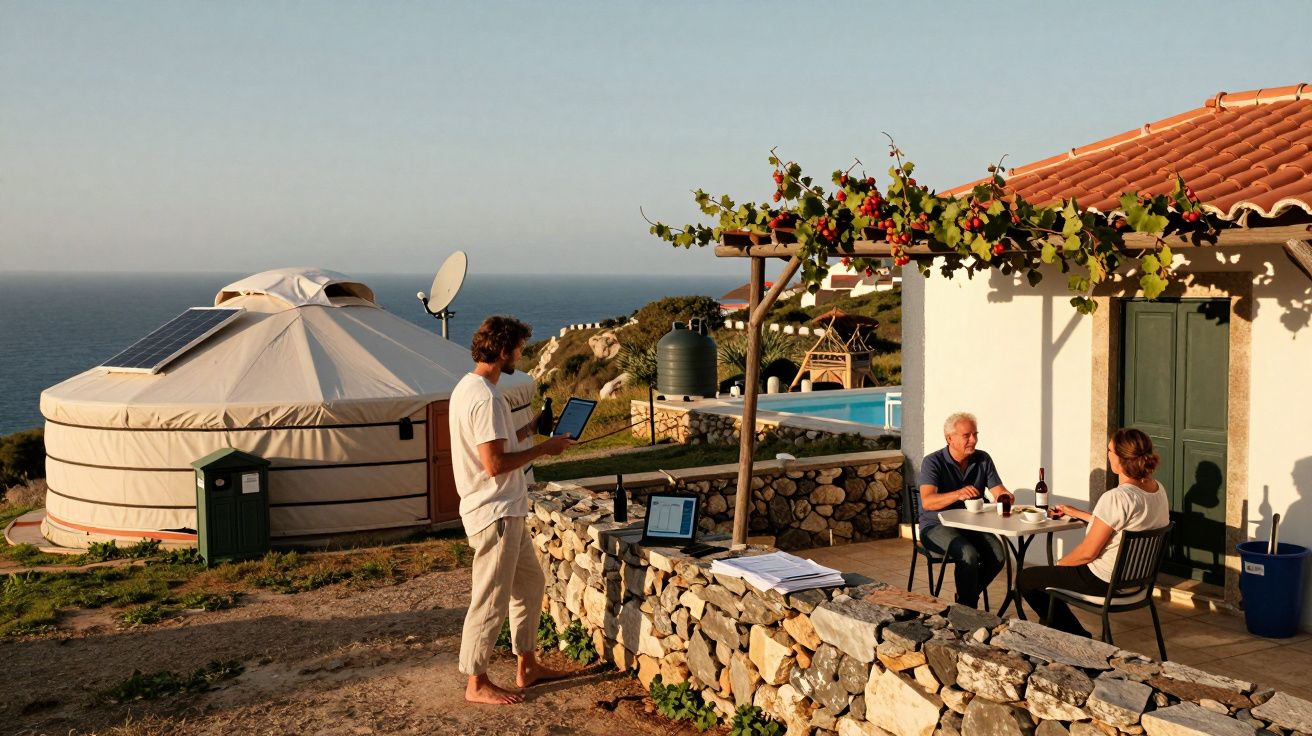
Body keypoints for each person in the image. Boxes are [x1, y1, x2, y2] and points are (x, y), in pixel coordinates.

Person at [451, 315, 575, 705]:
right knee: (490, 598)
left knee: (530, 585)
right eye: (519, 348)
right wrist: (544, 449)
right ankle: (476, 682)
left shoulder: (469, 388)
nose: (521, 354)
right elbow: (494, 464)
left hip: (507, 510)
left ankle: (527, 665)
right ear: (504, 350)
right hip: (496, 512)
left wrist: (531, 429)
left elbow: (495, 444)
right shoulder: (486, 398)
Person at [1018, 428, 1171, 636]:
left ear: (1121, 458)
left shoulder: (1117, 497)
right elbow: (1123, 525)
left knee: (1027, 579)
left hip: (1103, 581)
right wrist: (1076, 513)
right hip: (1137, 584)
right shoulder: (1157, 489)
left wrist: (1060, 566)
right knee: (1046, 580)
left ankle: (1077, 636)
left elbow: (1087, 553)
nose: (1108, 455)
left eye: (1110, 450)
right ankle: (1058, 630)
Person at [918, 412, 1013, 608]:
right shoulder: (932, 462)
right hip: (935, 526)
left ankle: (964, 600)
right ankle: (968, 607)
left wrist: (1005, 496)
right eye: (966, 436)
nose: (973, 440)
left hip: (970, 526)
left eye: (975, 434)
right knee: (968, 553)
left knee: (998, 555)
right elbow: (928, 502)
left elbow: (998, 491)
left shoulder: (983, 459)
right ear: (949, 438)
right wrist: (958, 494)